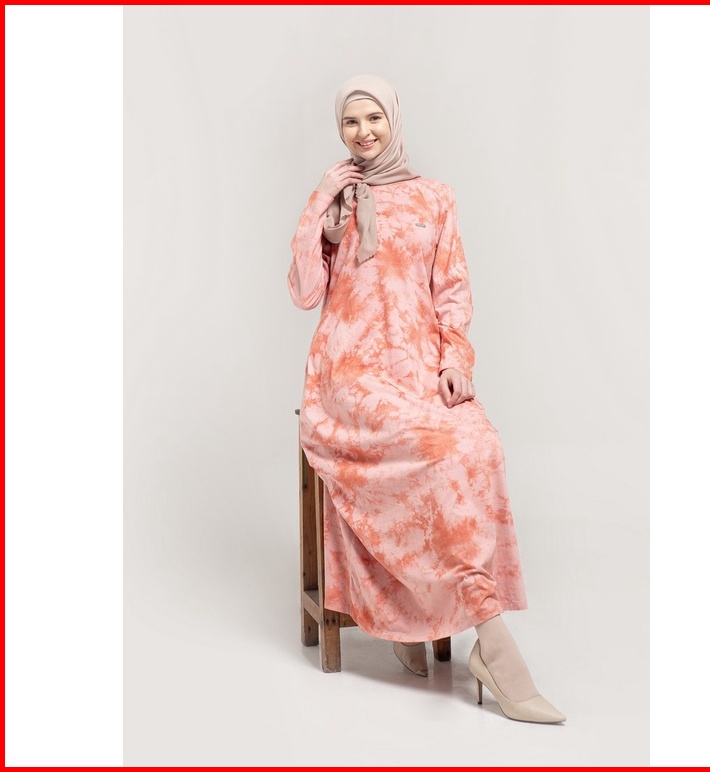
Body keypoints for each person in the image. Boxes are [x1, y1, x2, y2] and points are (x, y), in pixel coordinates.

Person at [287, 74, 565, 724]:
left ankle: (423, 616)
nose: (363, 132)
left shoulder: (435, 196)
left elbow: (452, 289)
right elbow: (303, 291)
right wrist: (321, 209)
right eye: (350, 122)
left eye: (373, 118)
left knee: (478, 444)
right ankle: (493, 645)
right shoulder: (334, 200)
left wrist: (455, 359)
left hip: (416, 366)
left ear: (393, 120)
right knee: (434, 445)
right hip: (349, 374)